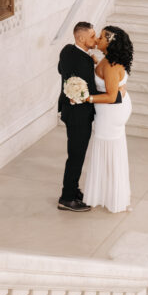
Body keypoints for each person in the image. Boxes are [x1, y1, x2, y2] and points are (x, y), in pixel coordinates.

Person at [82, 25, 133, 213]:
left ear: (110, 44)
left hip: (111, 113)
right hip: (113, 110)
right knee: (110, 149)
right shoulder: (108, 60)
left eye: (101, 37)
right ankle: (107, 193)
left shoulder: (111, 66)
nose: (97, 40)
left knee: (107, 150)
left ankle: (111, 196)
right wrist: (96, 62)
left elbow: (111, 96)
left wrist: (87, 98)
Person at [57, 21, 98, 212]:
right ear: (80, 38)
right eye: (92, 36)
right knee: (76, 156)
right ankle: (67, 198)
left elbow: (61, 70)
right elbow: (89, 88)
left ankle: (73, 190)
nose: (95, 39)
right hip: (79, 115)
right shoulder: (85, 61)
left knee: (75, 154)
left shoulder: (66, 51)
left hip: (68, 112)